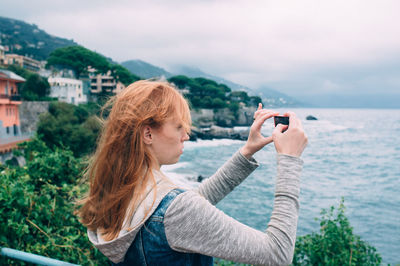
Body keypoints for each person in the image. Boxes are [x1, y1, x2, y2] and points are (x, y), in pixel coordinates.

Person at [77, 80, 308, 265]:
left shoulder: (119, 191)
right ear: (148, 135)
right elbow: (277, 253)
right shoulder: (176, 210)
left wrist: (248, 151)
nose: (186, 135)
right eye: (179, 127)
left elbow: (182, 208)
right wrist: (290, 159)